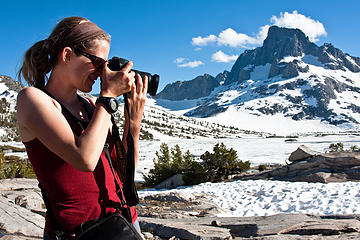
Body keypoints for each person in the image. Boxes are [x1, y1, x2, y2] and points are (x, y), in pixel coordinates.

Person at [16, 16, 147, 239]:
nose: (102, 72)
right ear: (67, 55)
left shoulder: (90, 105)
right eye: (98, 63)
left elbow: (122, 170)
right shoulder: (33, 99)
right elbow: (84, 158)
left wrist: (133, 123)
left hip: (123, 222)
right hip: (81, 232)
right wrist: (108, 97)